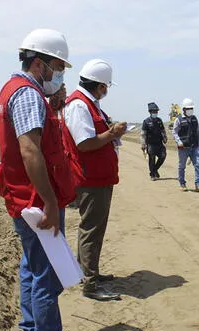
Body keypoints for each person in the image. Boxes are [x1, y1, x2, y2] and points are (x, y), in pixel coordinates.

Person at [0, 28, 85, 331]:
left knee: (32, 269)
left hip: (21, 199)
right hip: (35, 201)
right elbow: (30, 149)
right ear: (40, 63)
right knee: (46, 275)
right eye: (58, 66)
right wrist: (49, 201)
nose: (59, 73)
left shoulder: (13, 89)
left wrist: (54, 104)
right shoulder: (29, 94)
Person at [61, 59, 126, 302]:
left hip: (97, 175)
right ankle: (90, 283)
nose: (106, 90)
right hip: (91, 178)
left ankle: (89, 272)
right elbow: (85, 143)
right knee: (92, 228)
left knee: (93, 227)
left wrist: (109, 133)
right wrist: (112, 133)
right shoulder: (80, 105)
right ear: (99, 85)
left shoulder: (89, 104)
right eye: (106, 86)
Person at [172, 98, 199, 192]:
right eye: (188, 108)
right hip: (183, 147)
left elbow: (198, 132)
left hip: (194, 146)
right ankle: (182, 183)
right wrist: (179, 142)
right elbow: (174, 132)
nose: (190, 110)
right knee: (182, 166)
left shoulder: (194, 119)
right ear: (184, 109)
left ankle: (198, 184)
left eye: (191, 108)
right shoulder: (178, 120)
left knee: (198, 164)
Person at [140, 102, 167, 180]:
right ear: (150, 112)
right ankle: (152, 175)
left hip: (159, 143)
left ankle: (154, 170)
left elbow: (163, 130)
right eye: (154, 111)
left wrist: (165, 138)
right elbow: (143, 134)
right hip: (151, 144)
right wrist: (143, 144)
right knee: (152, 159)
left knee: (163, 156)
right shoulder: (146, 121)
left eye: (156, 111)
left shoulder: (159, 120)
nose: (155, 113)